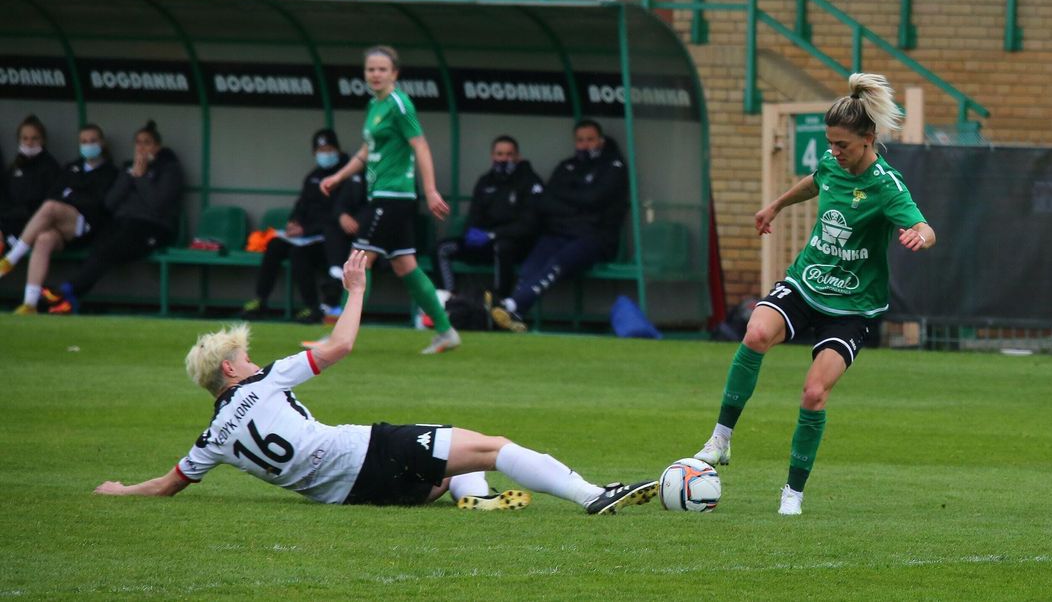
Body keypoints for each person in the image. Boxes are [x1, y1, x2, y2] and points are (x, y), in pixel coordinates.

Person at [93, 250, 658, 515]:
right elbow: (339, 346)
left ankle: (475, 500)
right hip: (361, 451)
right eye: (244, 353)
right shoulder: (261, 382)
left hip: (350, 495)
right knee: (492, 447)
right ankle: (592, 496)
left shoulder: (212, 438)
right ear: (232, 369)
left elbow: (168, 485)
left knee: (442, 474)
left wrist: (119, 491)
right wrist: (356, 288)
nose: (252, 356)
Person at [691, 73, 937, 516]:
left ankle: (792, 494)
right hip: (807, 282)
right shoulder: (832, 162)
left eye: (843, 145)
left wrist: (921, 235)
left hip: (853, 305)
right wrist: (776, 205)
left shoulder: (885, 185)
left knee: (813, 394)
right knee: (754, 335)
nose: (835, 152)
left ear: (868, 140)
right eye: (831, 143)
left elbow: (923, 224)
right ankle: (720, 440)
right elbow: (815, 180)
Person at [317, 45, 459, 355]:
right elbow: (367, 151)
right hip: (383, 194)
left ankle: (338, 339)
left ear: (394, 73)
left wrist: (431, 190)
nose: (376, 74)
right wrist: (339, 176)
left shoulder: (399, 103)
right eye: (371, 69)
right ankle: (446, 332)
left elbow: (420, 146)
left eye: (382, 69)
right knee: (405, 265)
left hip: (393, 195)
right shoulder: (374, 105)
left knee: (358, 259)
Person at [489, 119, 628, 333]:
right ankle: (512, 314)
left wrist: (571, 200)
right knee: (531, 266)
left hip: (594, 238)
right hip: (561, 232)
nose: (585, 145)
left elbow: (595, 198)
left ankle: (512, 306)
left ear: (600, 140)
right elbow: (547, 200)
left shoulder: (613, 166)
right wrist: (578, 205)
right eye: (580, 140)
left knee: (558, 262)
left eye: (590, 139)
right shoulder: (567, 166)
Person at [43, 120, 184, 314]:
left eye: (147, 143)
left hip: (153, 227)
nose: (142, 148)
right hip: (122, 224)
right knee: (100, 245)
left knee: (110, 248)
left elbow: (158, 206)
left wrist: (141, 177)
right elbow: (110, 202)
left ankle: (67, 290)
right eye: (138, 143)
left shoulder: (169, 169)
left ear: (157, 146)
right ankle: (70, 297)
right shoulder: (128, 168)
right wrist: (131, 174)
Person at [0, 123, 118, 314]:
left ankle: (11, 258)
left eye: (93, 141)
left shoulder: (110, 172)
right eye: (84, 141)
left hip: (86, 226)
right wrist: (71, 196)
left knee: (50, 207)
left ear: (102, 143)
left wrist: (70, 196)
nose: (88, 145)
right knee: (43, 239)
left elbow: (96, 202)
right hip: (61, 228)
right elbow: (55, 192)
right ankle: (30, 304)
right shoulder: (72, 167)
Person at [239, 129, 349, 325]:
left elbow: (335, 216)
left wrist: (306, 230)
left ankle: (313, 308)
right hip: (305, 235)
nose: (325, 154)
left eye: (329, 149)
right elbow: (302, 205)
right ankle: (261, 300)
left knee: (299, 254)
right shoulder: (313, 177)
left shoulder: (344, 177)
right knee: (274, 245)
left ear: (338, 150)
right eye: (321, 149)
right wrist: (294, 222)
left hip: (329, 241)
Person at [433, 135, 543, 302]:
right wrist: (470, 233)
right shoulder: (485, 181)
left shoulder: (529, 181)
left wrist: (494, 234)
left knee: (502, 247)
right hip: (484, 243)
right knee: (441, 248)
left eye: (509, 154)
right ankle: (449, 299)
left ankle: (500, 302)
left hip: (515, 245)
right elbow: (474, 215)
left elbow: (529, 224)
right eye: (500, 154)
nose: (504, 159)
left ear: (517, 156)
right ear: (493, 156)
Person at [1, 115, 61, 255]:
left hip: (30, 226)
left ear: (43, 140)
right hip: (7, 220)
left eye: (34, 138)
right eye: (25, 138)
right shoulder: (15, 166)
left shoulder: (50, 167)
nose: (29, 143)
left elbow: (47, 203)